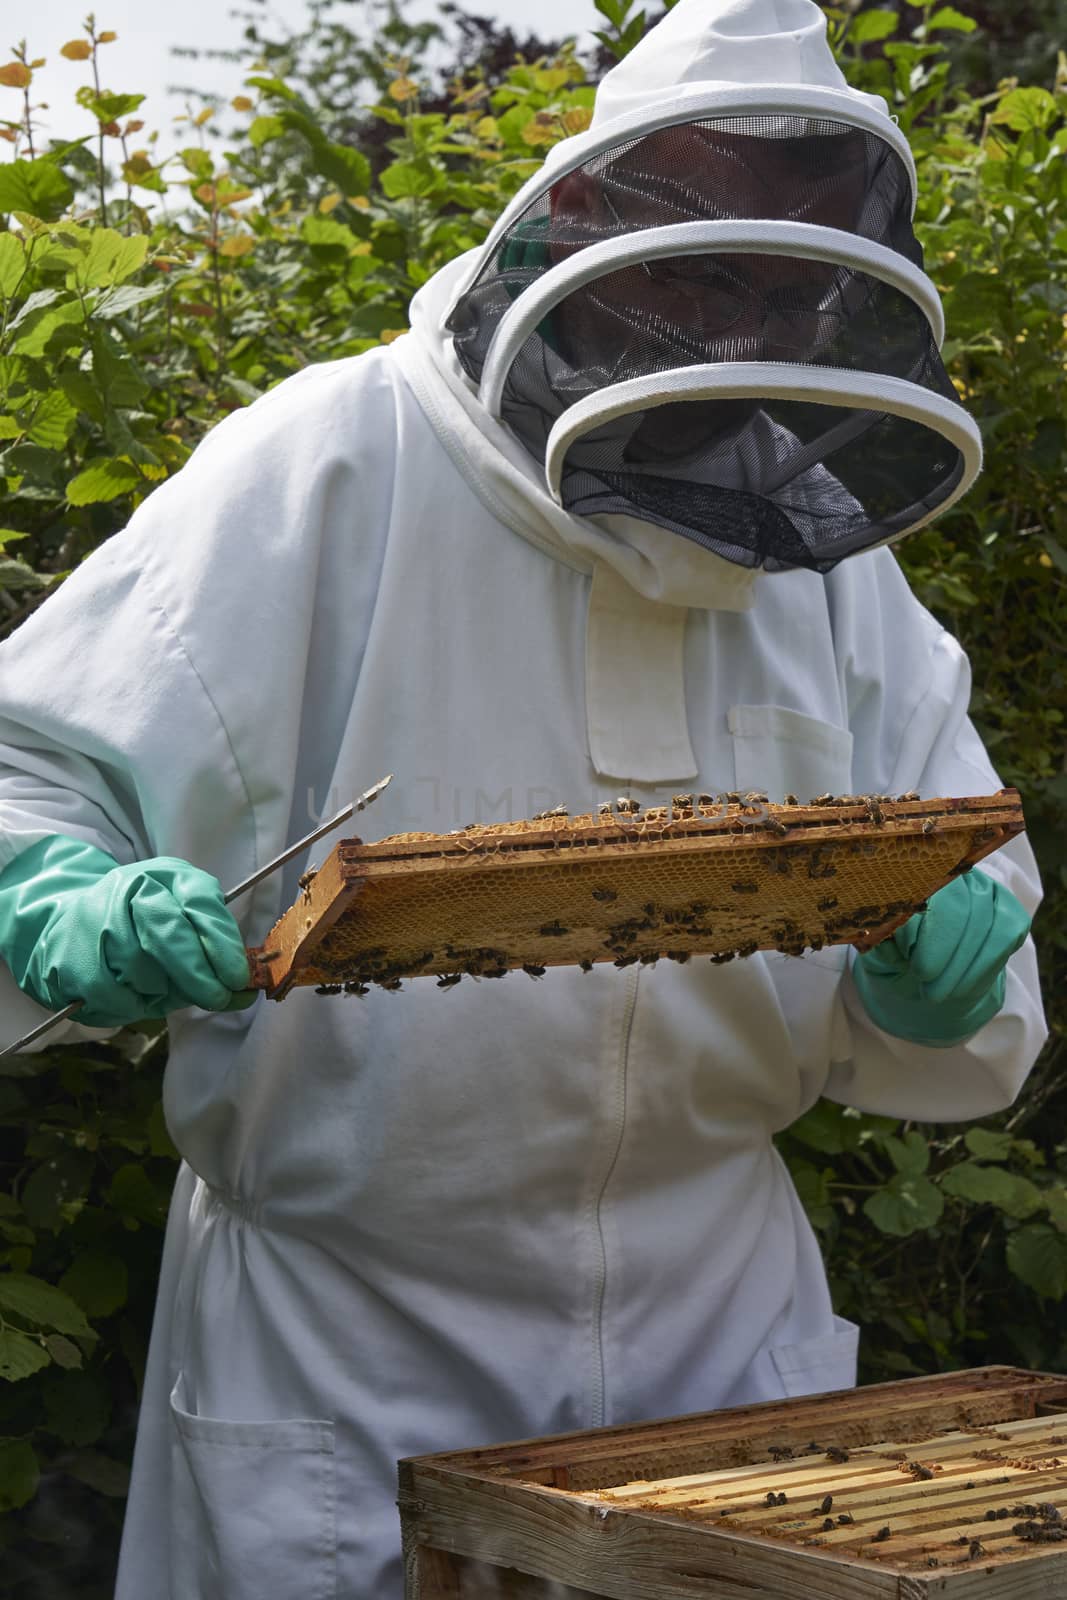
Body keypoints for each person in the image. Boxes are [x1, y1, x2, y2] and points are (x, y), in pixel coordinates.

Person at [0, 1, 1046, 1596]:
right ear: (579, 225)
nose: (734, 326)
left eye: (782, 287)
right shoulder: (329, 465)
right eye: (703, 270)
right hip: (353, 1355)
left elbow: (960, 902)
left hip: (725, 1334)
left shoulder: (832, 559)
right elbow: (28, 762)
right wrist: (55, 896)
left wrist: (940, 967)